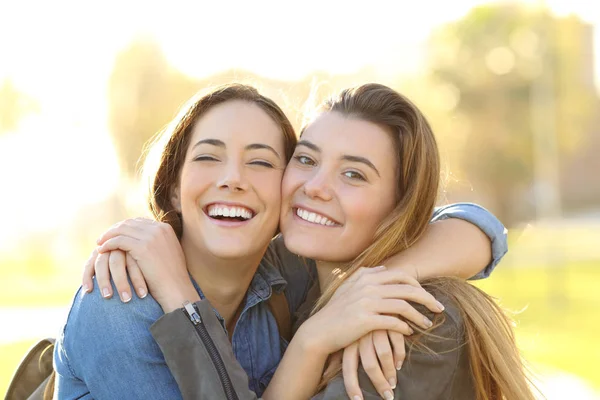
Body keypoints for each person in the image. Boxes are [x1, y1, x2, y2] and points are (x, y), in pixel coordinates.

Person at [54, 84, 507, 399]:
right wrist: (310, 341)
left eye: (262, 162)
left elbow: (480, 227)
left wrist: (380, 280)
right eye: (307, 160)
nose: (315, 187)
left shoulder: (312, 286)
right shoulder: (120, 302)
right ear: (173, 186)